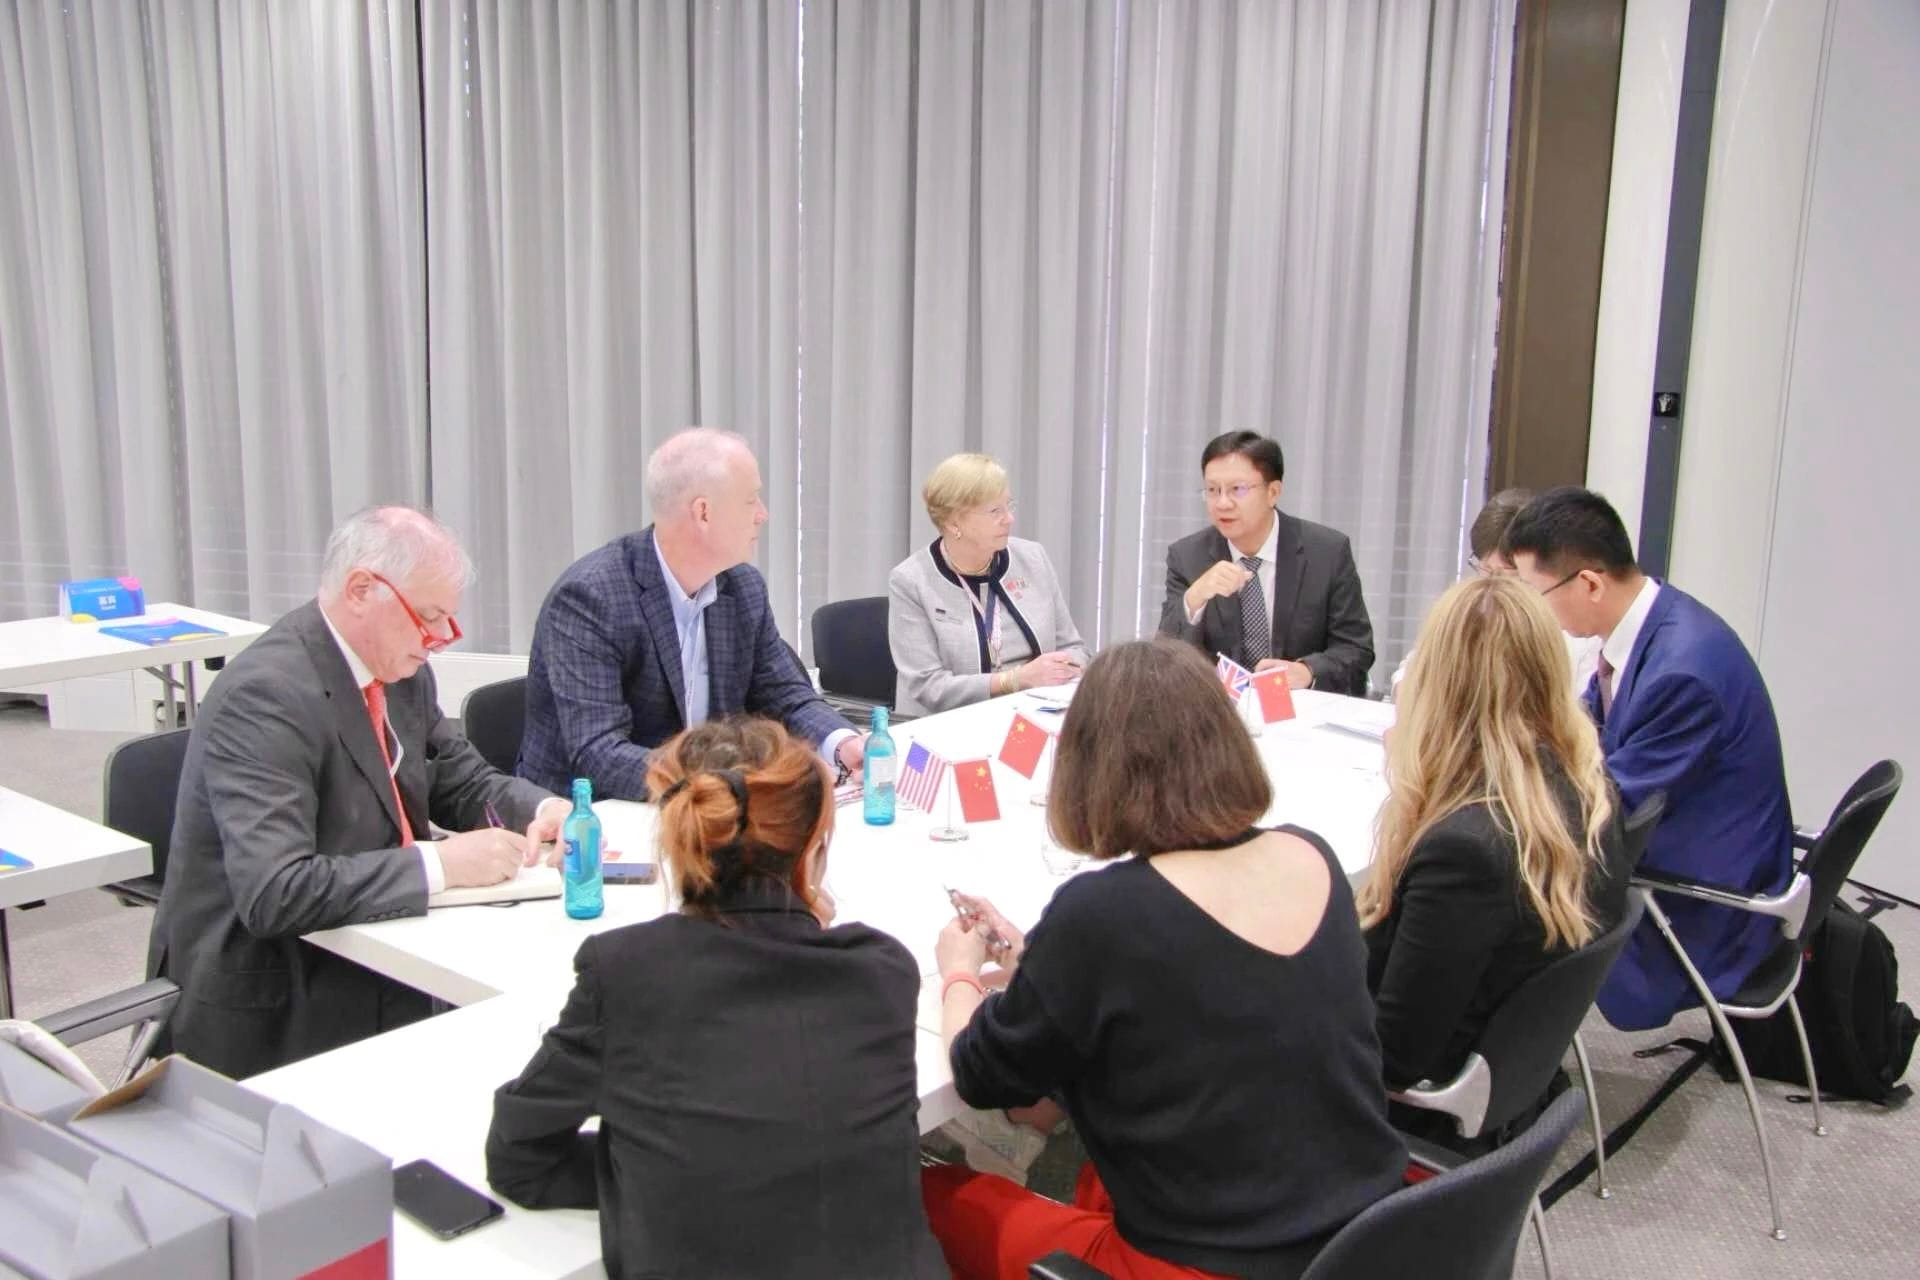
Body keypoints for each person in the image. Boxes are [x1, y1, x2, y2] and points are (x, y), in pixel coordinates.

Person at [922, 639, 1405, 1280]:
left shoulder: (1102, 912)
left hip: (1203, 1264)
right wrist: (1044, 967)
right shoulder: (1309, 853)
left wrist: (959, 972)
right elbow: (1199, 983)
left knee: (922, 1193)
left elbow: (982, 1075)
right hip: (1370, 1239)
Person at [486, 719, 946, 1279]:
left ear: (678, 840)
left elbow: (518, 1156)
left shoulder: (628, 973)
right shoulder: (882, 972)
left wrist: (656, 1168)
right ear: (814, 845)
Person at [149, 507, 566, 1079]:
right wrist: (441, 863)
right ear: (361, 590)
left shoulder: (400, 669)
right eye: (429, 617)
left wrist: (544, 810)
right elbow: (276, 892)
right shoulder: (266, 694)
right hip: (275, 994)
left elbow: (458, 778)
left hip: (376, 942)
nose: (440, 640)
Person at [1502, 487, 1794, 1031]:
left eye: (1536, 594)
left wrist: (1502, 802)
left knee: (1495, 887)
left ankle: (1509, 1063)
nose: (1536, 611)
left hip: (1706, 906)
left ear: (1589, 583)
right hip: (1695, 851)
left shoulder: (1683, 673)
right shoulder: (1653, 626)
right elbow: (1586, 735)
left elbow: (1610, 809)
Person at [1361, 576, 1631, 1097]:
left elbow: (1392, 1057)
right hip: (1504, 1063)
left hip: (1408, 1101)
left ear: (1436, 683)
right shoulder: (1582, 790)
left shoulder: (1465, 849)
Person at [518, 428, 861, 800]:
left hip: (702, 806)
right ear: (703, 513)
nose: (763, 515)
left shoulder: (742, 588)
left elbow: (784, 694)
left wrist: (843, 742)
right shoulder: (591, 598)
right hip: (590, 815)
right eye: (751, 500)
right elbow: (599, 753)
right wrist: (732, 782)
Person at [1158, 431, 1374, 695]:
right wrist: (1194, 598)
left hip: (1302, 710)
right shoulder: (1187, 556)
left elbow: (1356, 649)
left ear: (1273, 492)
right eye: (1213, 490)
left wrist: (1308, 671)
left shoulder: (1327, 552)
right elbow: (1164, 658)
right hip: (1219, 712)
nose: (1222, 503)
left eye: (1237, 489)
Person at [888, 453, 1089, 715]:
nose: (1009, 519)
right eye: (995, 511)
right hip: (950, 723)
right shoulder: (911, 581)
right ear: (953, 522)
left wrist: (1064, 667)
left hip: (1033, 714)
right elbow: (929, 687)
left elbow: (1074, 648)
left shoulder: (1032, 558)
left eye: (1009, 506)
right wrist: (1015, 680)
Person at [1389, 487, 1600, 696]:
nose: (1492, 584)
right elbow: (1408, 674)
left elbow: (1582, 710)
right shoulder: (1467, 611)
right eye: (1485, 569)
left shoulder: (1573, 629)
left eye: (1504, 574)